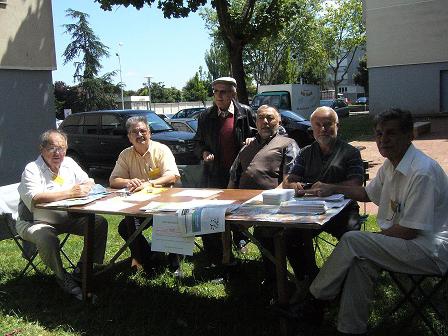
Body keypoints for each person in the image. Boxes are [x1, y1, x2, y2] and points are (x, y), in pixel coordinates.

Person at [298, 109, 448, 335]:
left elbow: (408, 231)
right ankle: (350, 329)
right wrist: (332, 188)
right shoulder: (391, 164)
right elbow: (367, 194)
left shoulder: (422, 172)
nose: (383, 140)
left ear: (410, 136)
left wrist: (368, 239)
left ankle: (314, 300)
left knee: (353, 241)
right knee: (361, 260)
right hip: (408, 242)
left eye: (391, 133)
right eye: (379, 134)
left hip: (430, 251)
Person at [17, 129, 108, 300]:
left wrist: (86, 186)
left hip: (66, 217)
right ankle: (62, 277)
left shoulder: (69, 163)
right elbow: (36, 198)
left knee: (99, 223)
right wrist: (70, 193)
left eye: (62, 148)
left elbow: (88, 180)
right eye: (52, 148)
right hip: (34, 221)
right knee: (46, 236)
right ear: (41, 149)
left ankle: (83, 269)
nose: (58, 153)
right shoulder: (32, 169)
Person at [282, 106, 364, 284]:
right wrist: (295, 185)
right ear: (311, 130)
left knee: (351, 237)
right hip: (310, 210)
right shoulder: (306, 153)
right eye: (317, 125)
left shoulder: (350, 152)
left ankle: (342, 281)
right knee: (288, 237)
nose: (323, 129)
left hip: (343, 211)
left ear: (337, 126)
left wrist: (332, 188)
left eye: (327, 124)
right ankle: (308, 279)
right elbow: (288, 181)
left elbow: (356, 184)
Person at [228, 104, 299, 293]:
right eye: (261, 118)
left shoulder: (287, 143)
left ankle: (277, 282)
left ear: (279, 121)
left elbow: (290, 179)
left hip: (273, 204)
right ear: (256, 122)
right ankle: (226, 266)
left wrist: (267, 200)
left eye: (270, 118)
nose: (265, 122)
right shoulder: (247, 146)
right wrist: (226, 201)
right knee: (211, 219)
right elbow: (234, 175)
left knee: (266, 233)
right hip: (241, 204)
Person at [109, 116, 182, 276]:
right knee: (125, 227)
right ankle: (149, 258)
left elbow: (172, 176)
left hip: (165, 203)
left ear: (150, 133)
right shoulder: (125, 155)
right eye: (135, 132)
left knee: (166, 220)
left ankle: (174, 264)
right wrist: (129, 181)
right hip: (139, 206)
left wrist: (150, 183)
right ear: (129, 137)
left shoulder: (161, 150)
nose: (139, 134)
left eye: (143, 130)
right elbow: (113, 180)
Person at [194, 76, 256, 264]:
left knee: (238, 212)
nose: (218, 96)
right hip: (215, 173)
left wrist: (252, 140)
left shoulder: (244, 112)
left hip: (239, 173)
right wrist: (204, 152)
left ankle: (240, 239)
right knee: (214, 213)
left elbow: (257, 135)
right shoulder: (205, 116)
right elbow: (197, 142)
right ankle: (217, 253)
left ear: (233, 93)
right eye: (215, 92)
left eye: (223, 92)